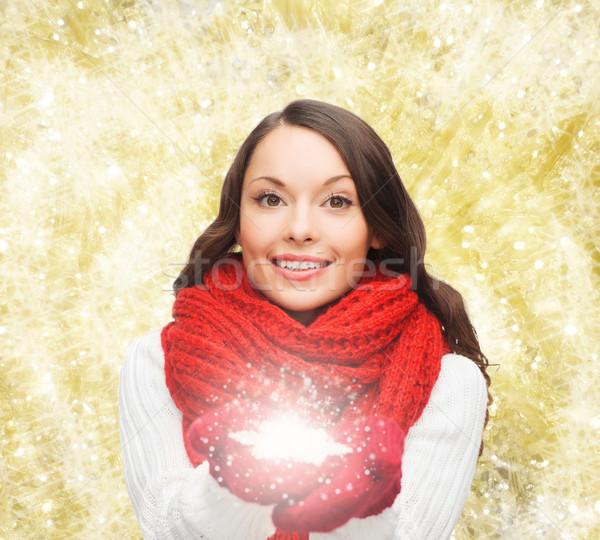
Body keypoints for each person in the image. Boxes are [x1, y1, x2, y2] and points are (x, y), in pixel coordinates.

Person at [119, 99, 491, 540]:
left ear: (377, 228)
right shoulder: (156, 361)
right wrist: (236, 483)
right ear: (238, 221)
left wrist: (350, 492)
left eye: (337, 201)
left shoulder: (449, 384)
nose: (300, 228)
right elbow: (164, 529)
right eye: (270, 198)